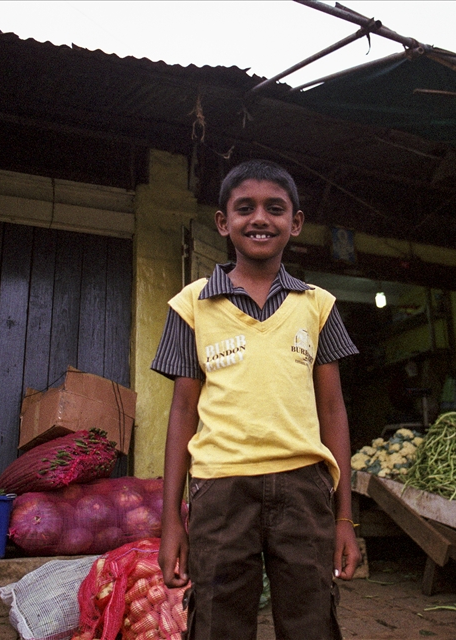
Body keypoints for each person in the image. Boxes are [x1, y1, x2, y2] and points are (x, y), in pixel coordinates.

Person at [151, 159, 361, 640]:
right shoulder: (191, 305)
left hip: (305, 488)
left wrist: (345, 517)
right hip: (220, 490)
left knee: (311, 621)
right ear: (223, 222)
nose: (260, 219)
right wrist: (171, 522)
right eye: (244, 208)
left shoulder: (318, 305)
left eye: (275, 208)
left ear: (296, 222)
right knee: (218, 621)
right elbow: (182, 411)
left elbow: (333, 410)